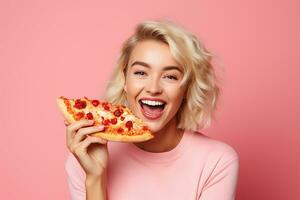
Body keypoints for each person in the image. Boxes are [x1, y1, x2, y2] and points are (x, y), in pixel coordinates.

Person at [64, 19, 239, 200]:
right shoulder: (84, 160)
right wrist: (95, 178)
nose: (153, 88)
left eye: (170, 76)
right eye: (141, 73)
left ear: (186, 87)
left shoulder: (217, 162)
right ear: (125, 79)